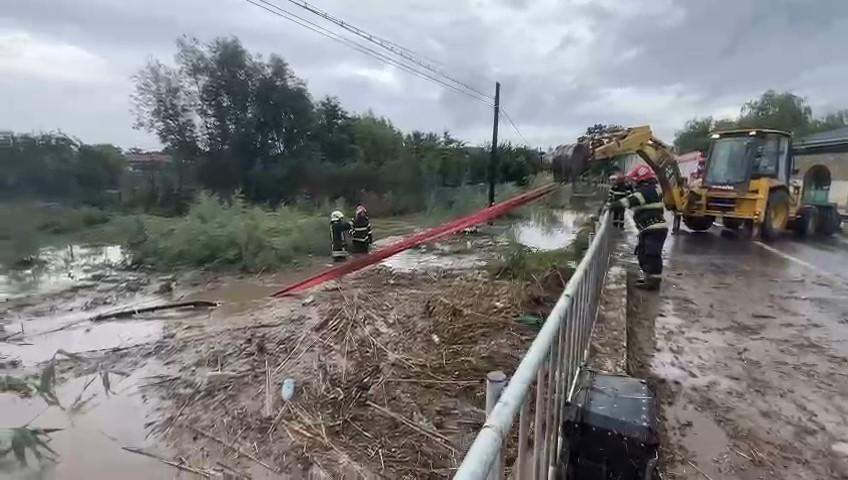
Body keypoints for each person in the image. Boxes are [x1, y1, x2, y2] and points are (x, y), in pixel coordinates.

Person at [608, 165, 668, 290]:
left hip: (654, 229)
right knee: (642, 254)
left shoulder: (647, 191)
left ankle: (653, 282)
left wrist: (611, 206)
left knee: (652, 255)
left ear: (641, 180)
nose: (632, 183)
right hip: (647, 229)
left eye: (634, 180)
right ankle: (648, 278)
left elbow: (628, 202)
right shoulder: (650, 190)